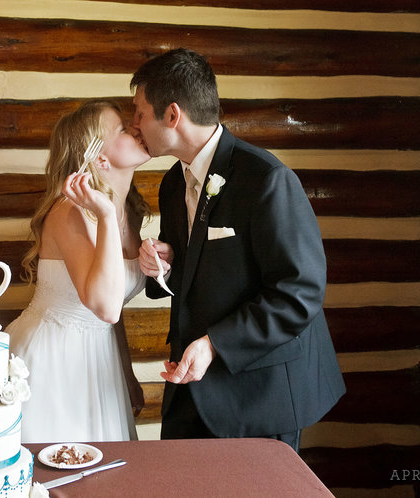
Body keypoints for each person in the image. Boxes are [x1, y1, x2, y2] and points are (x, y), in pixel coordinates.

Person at [132, 48, 346, 451]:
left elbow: (299, 293)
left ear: (172, 115)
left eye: (140, 112)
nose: (135, 124)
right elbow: (194, 272)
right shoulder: (172, 184)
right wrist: (165, 263)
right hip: (189, 387)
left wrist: (214, 345)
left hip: (259, 395)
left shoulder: (266, 179)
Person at [7, 100, 150, 443]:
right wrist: (102, 217)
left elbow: (113, 315)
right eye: (122, 129)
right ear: (100, 158)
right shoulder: (70, 212)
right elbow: (105, 304)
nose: (135, 129)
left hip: (100, 362)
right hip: (53, 360)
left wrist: (126, 371)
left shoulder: (127, 212)